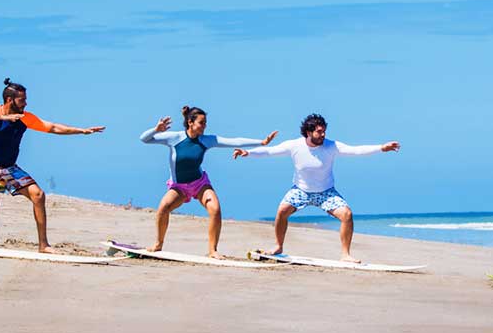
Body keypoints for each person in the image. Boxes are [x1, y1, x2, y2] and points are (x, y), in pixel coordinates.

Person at [233, 113, 399, 263]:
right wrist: (248, 153)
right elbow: (270, 151)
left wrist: (381, 148)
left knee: (347, 215)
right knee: (282, 211)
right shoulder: (294, 145)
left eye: (324, 131)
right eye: (319, 131)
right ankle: (278, 246)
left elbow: (356, 150)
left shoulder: (331, 146)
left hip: (326, 192)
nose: (323, 135)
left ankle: (345, 255)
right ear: (308, 132)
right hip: (300, 190)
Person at [0, 78, 104, 252]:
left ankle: (43, 245)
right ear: (10, 100)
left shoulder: (25, 118)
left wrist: (82, 130)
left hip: (9, 167)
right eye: (22, 100)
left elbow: (53, 127)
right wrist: (2, 117)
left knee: (38, 195)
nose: (25, 103)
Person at [140, 106, 277, 258]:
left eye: (205, 123)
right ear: (190, 122)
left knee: (215, 209)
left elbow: (233, 141)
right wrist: (156, 129)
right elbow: (144, 139)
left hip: (199, 184)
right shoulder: (174, 138)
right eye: (202, 123)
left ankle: (213, 250)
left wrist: (262, 142)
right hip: (179, 187)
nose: (204, 126)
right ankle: (158, 244)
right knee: (163, 208)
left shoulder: (206, 140)